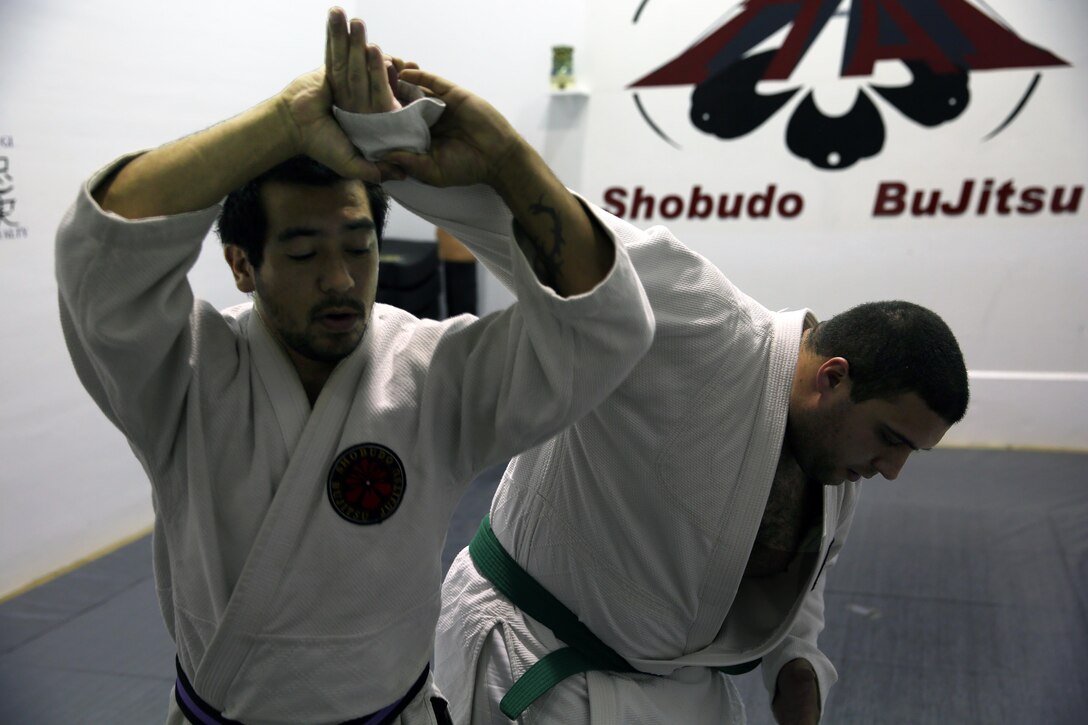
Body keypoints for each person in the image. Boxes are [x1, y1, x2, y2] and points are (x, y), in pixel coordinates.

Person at [329, 29, 970, 725]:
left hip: (682, 686)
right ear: (833, 377)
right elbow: (544, 230)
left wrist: (797, 664)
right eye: (891, 439)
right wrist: (391, 134)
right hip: (537, 660)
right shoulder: (701, 324)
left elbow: (791, 575)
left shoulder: (835, 456)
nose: (892, 469)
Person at [54, 9, 655, 724]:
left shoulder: (432, 376)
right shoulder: (183, 375)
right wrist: (281, 122)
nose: (341, 279)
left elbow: (604, 329)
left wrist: (501, 155)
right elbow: (103, 255)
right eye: (305, 253)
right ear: (242, 265)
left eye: (361, 245)